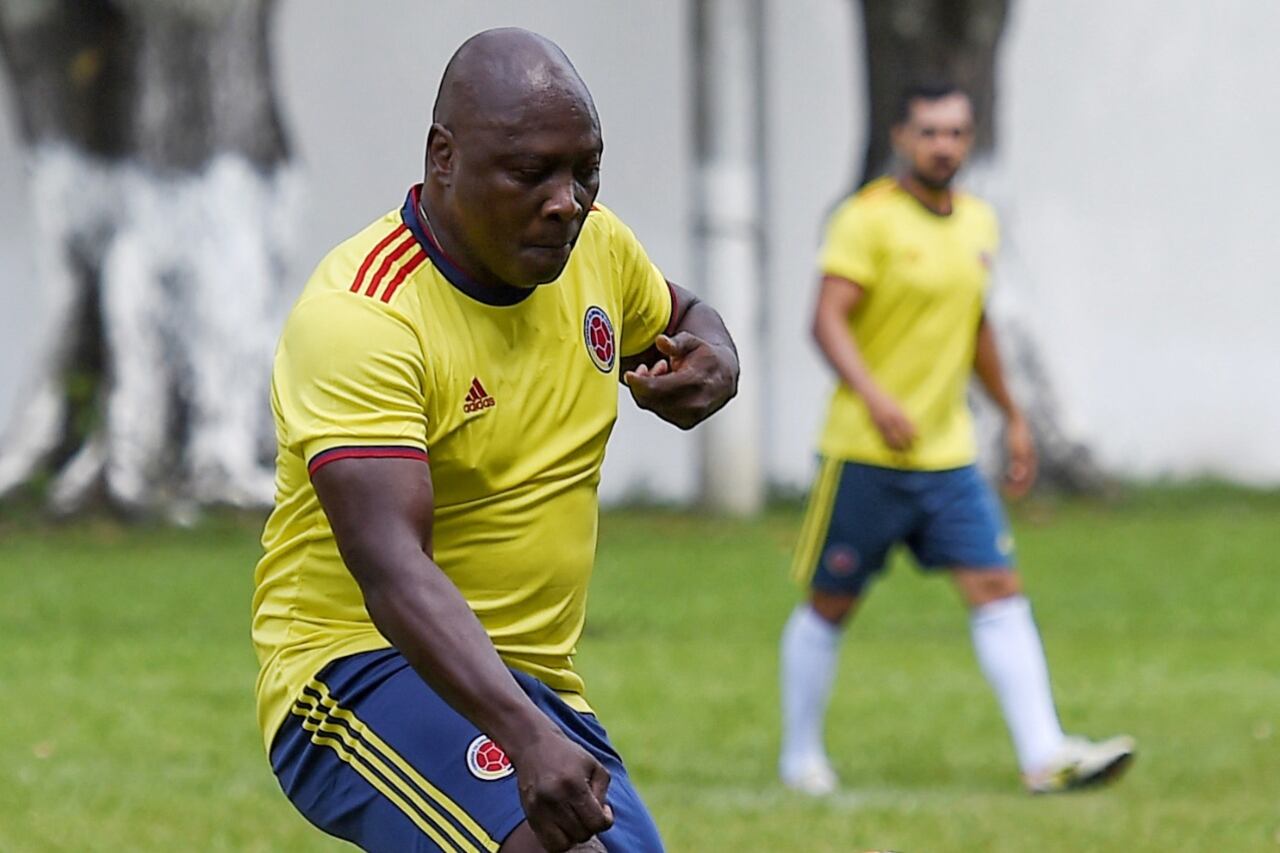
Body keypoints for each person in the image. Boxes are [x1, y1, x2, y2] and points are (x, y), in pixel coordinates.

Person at [252, 28, 738, 853]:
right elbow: (393, 571)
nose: (567, 201)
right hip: (357, 668)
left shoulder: (597, 250)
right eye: (531, 173)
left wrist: (717, 356)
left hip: (538, 682)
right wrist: (522, 733)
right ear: (444, 157)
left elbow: (680, 315)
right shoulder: (362, 319)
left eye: (586, 170)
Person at [777, 82, 1134, 796]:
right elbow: (827, 320)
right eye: (930, 131)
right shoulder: (865, 219)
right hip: (866, 453)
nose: (945, 145)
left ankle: (1045, 754)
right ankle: (800, 755)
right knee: (832, 600)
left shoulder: (977, 223)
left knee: (999, 585)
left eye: (957, 132)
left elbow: (974, 328)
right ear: (903, 138)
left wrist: (1014, 413)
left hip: (947, 454)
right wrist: (877, 398)